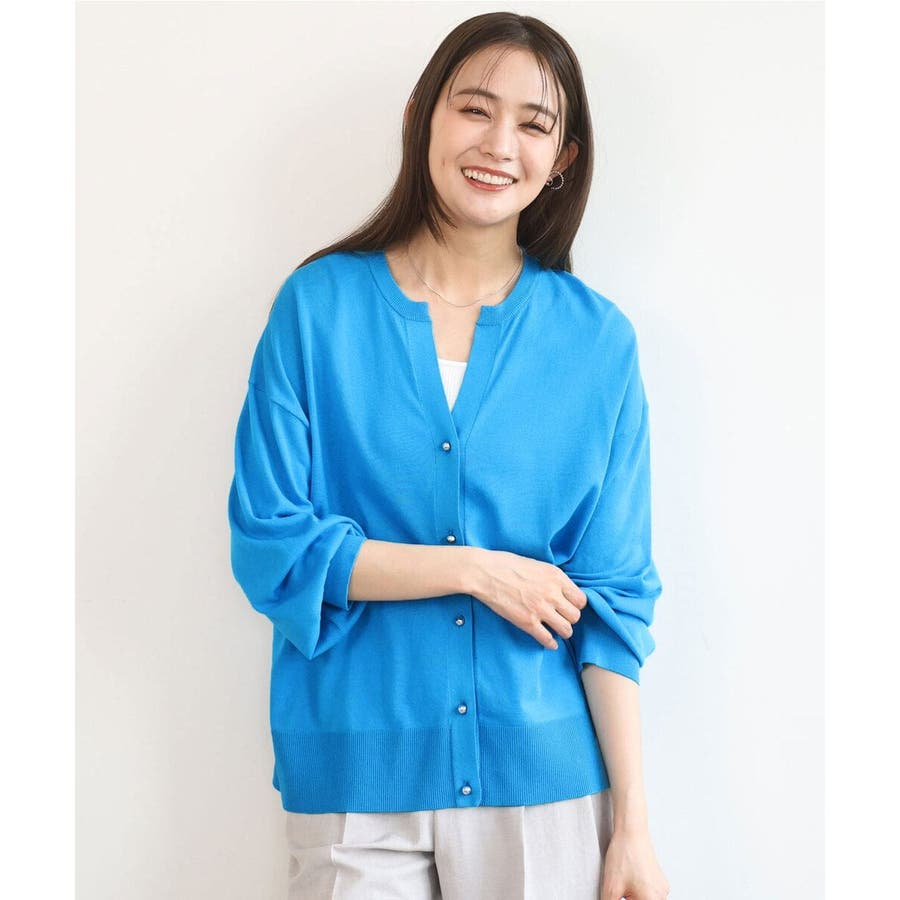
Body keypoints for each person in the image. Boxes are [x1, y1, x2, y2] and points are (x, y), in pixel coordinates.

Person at [228, 11, 670, 900]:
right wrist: (473, 571)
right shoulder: (317, 310)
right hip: (356, 783)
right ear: (420, 117)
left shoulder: (596, 343)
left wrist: (632, 828)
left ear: (562, 159)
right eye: (474, 108)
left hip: (545, 787)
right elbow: (271, 544)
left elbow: (614, 603)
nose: (499, 144)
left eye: (533, 124)